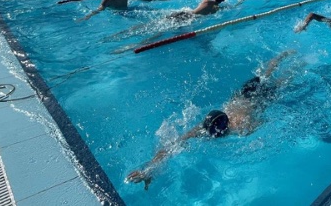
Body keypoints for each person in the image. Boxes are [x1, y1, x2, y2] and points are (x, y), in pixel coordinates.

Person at [125, 50, 297, 190]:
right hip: (243, 95)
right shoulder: (201, 129)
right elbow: (170, 147)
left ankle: (294, 60)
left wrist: (255, 126)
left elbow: (262, 122)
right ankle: (285, 56)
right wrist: (148, 170)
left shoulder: (240, 126)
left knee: (279, 81)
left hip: (257, 98)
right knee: (267, 75)